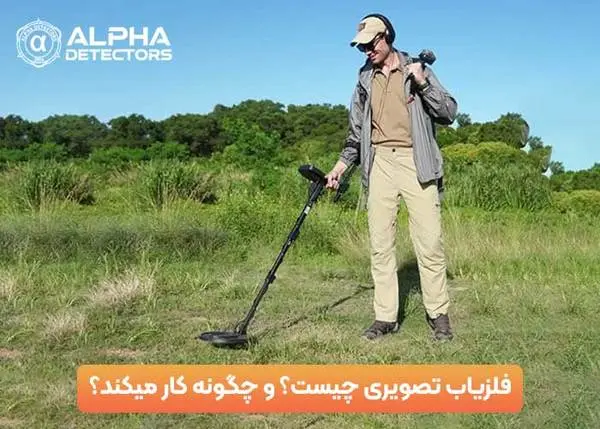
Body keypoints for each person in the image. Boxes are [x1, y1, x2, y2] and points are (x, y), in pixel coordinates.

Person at [325, 13, 458, 341]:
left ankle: (438, 314)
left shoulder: (417, 68)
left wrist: (423, 83)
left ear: (386, 37)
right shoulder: (364, 78)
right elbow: (356, 133)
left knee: (429, 242)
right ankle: (385, 317)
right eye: (361, 47)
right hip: (380, 162)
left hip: (416, 162)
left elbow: (449, 113)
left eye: (370, 44)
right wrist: (340, 167)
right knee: (380, 245)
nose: (366, 51)